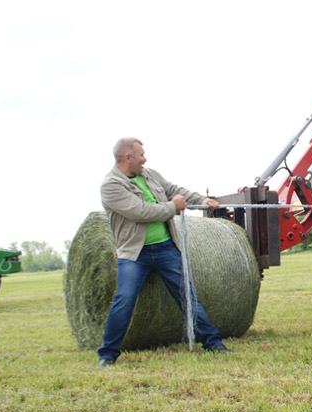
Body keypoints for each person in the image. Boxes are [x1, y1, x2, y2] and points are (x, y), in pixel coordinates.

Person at [97, 137, 230, 368]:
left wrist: (203, 199)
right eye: (141, 155)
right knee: (124, 299)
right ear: (128, 157)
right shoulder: (111, 185)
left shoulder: (150, 175)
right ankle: (107, 354)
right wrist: (173, 207)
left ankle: (213, 342)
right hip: (134, 254)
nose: (144, 159)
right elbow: (140, 211)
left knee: (188, 295)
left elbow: (175, 190)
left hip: (166, 248)